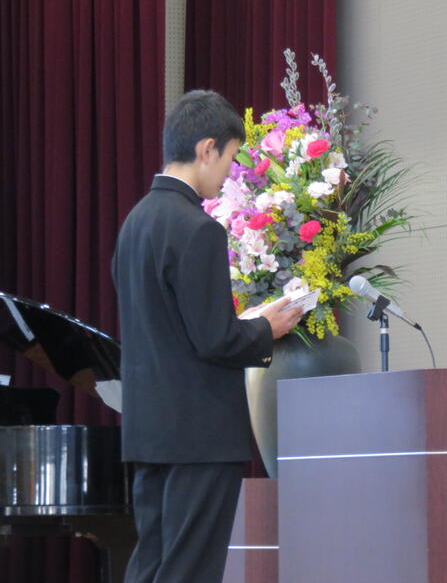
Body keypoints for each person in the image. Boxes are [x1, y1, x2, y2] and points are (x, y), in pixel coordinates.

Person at [111, 89, 303, 583]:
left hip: (149, 432)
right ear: (207, 148)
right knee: (189, 571)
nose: (230, 172)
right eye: (231, 158)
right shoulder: (198, 229)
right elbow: (215, 340)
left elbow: (171, 328)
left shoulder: (134, 223)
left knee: (151, 566)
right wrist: (266, 327)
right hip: (200, 436)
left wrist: (245, 323)